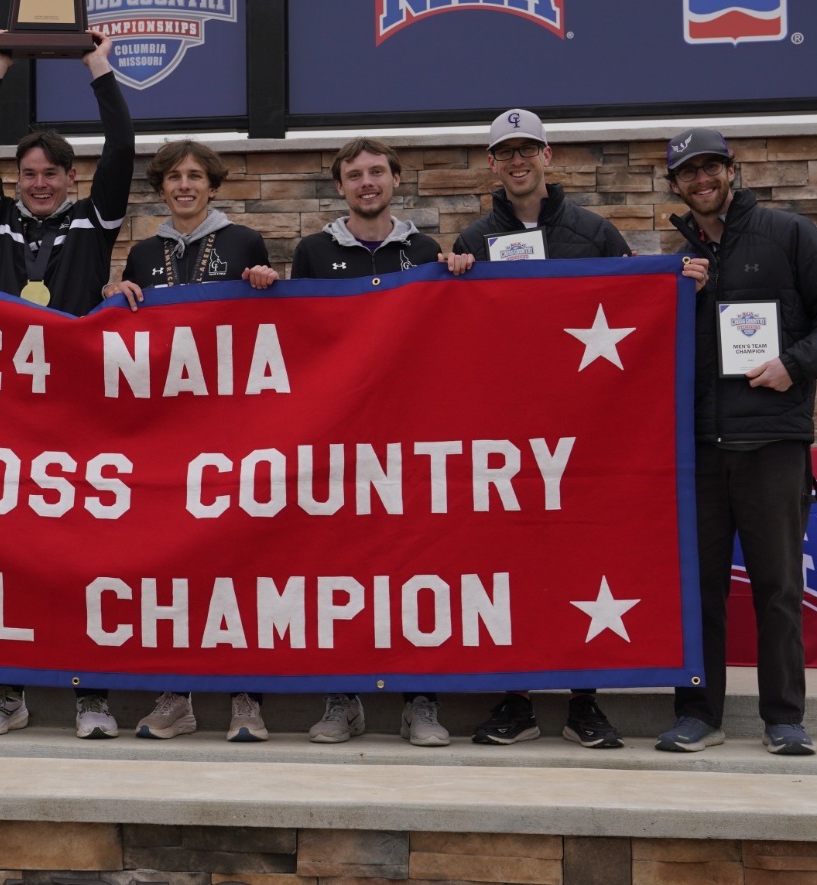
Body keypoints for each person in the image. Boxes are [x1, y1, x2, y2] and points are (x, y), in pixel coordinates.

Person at [656, 128, 817, 757]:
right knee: (700, 589)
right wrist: (674, 299)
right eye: (688, 172)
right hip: (700, 448)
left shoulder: (787, 234)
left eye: (711, 167)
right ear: (676, 185)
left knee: (777, 588)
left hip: (772, 442)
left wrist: (794, 365)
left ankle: (783, 718)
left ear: (731, 171)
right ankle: (699, 714)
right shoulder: (678, 259)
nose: (701, 180)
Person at [0, 28, 133, 739]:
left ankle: (93, 694)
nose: (37, 182)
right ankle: (9, 692)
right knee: (12, 557)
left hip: (79, 412)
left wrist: (97, 63)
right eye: (27, 171)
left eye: (50, 173)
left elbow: (121, 144)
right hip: (5, 417)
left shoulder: (96, 219)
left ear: (69, 178)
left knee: (87, 555)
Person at [450, 109, 630, 749]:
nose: (518, 161)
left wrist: (678, 285)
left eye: (528, 150)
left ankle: (586, 701)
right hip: (508, 438)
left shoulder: (594, 232)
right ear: (493, 164)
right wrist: (450, 284)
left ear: (548, 156)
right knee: (512, 561)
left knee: (586, 558)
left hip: (586, 434)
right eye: (506, 153)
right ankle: (516, 699)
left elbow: (639, 309)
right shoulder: (472, 240)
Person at [104, 139, 278, 742]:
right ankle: (175, 696)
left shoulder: (243, 242)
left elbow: (270, 325)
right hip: (166, 436)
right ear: (162, 186)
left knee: (240, 563)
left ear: (212, 184)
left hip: (233, 429)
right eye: (174, 176)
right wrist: (112, 302)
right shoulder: (144, 252)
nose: (184, 185)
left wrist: (265, 284)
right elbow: (132, 339)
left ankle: (246, 698)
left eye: (196, 176)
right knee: (171, 564)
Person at [290, 137, 458, 747]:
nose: (367, 182)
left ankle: (421, 703)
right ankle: (344, 700)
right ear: (340, 186)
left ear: (395, 179)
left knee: (414, 565)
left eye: (377, 172)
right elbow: (296, 340)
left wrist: (459, 278)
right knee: (341, 568)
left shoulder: (426, 251)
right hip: (339, 439)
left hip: (412, 440)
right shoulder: (311, 252)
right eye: (355, 174)